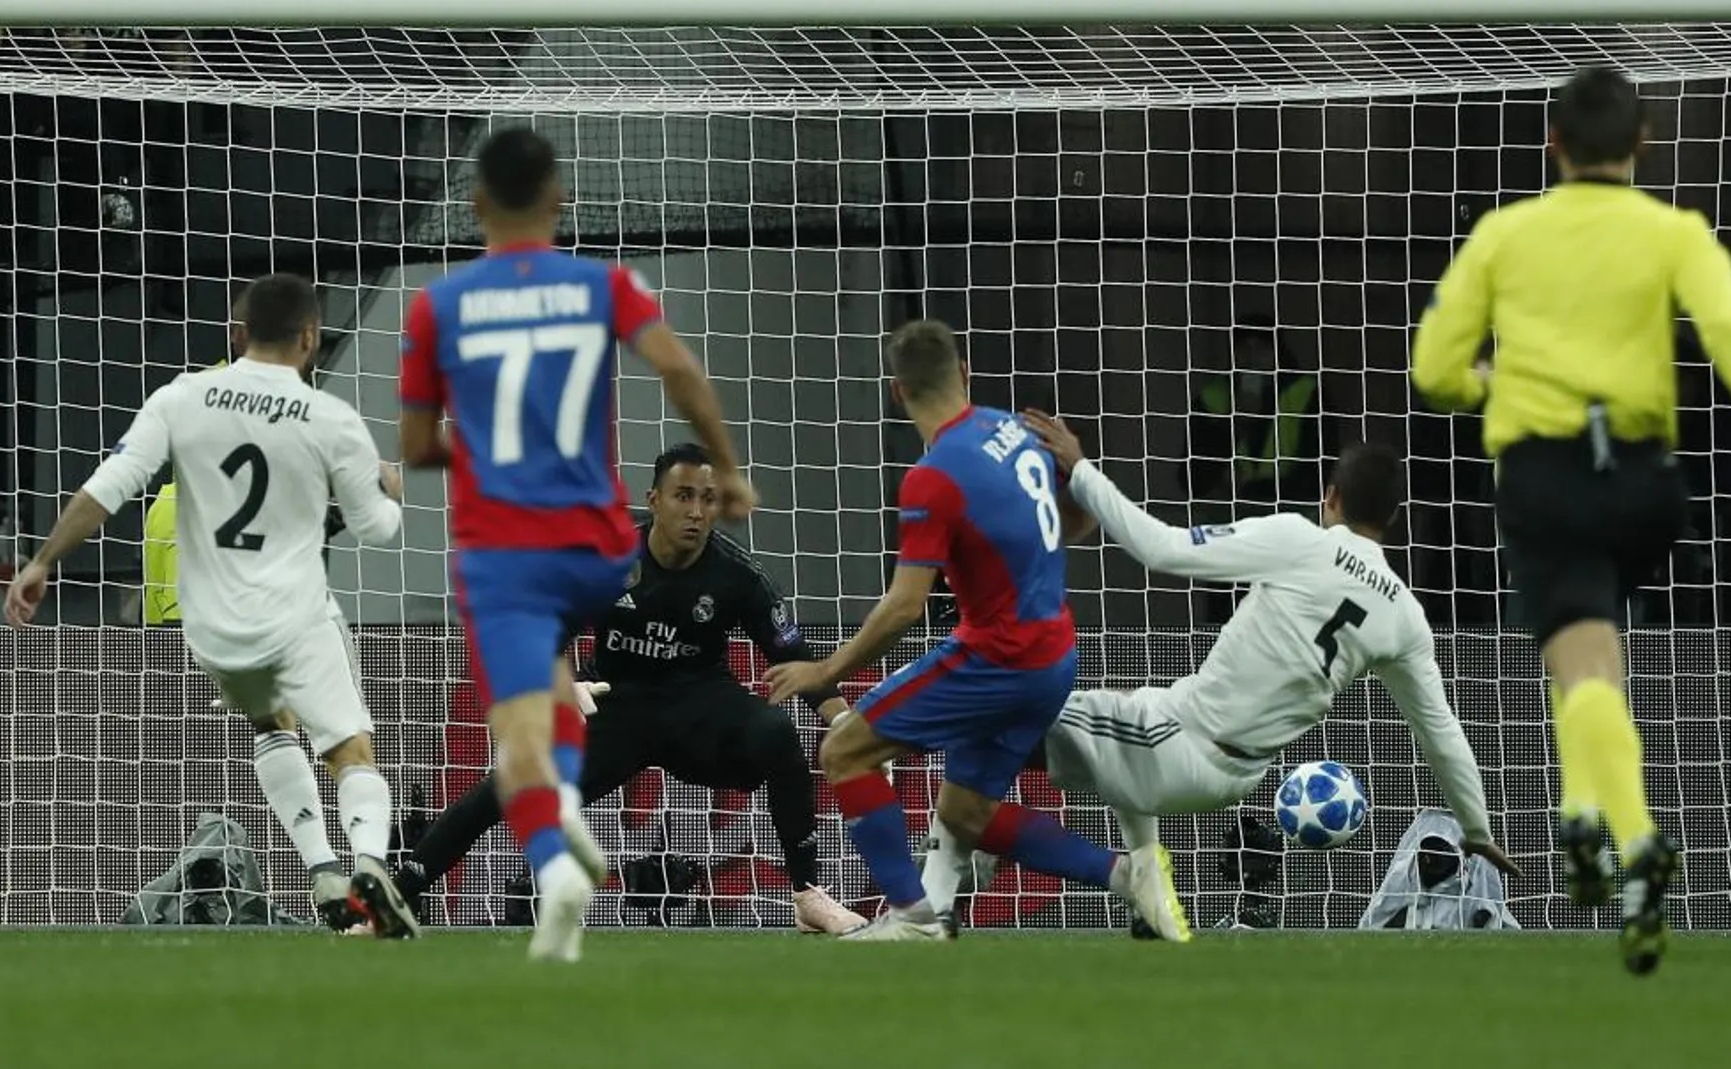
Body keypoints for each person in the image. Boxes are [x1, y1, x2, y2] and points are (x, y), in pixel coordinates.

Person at [1410, 66, 1731, 975]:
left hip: (1548, 476)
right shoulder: (1673, 230)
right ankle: (1582, 818)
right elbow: (1729, 329)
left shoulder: (1506, 235)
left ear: (1551, 143)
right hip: (1646, 485)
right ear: (1644, 143)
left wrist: (1489, 382)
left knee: (1581, 658)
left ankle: (1631, 846)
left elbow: (1434, 370)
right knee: (1591, 655)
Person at [920, 423, 1515, 932]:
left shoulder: (1298, 540)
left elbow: (1164, 550)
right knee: (1120, 710)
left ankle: (933, 904)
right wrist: (1477, 828)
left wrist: (1081, 471)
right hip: (1230, 769)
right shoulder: (1406, 617)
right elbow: (1442, 736)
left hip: (1180, 746)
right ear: (1393, 516)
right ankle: (1143, 874)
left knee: (995, 707)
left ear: (1329, 497)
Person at [398, 126, 753, 963]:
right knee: (550, 681)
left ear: (476, 204)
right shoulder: (604, 284)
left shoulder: (436, 306)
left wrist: (485, 450)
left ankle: (556, 858)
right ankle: (561, 801)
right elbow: (681, 372)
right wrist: (729, 472)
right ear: (559, 201)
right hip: (600, 550)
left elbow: (416, 447)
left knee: (517, 739)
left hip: (506, 550)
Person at [2, 273, 419, 937]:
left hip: (217, 617)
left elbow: (106, 488)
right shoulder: (330, 417)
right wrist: (389, 489)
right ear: (311, 338)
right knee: (349, 749)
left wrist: (42, 560)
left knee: (273, 726)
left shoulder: (183, 397)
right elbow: (376, 529)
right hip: (298, 608)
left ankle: (319, 868)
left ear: (238, 331)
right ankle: (368, 861)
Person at [764, 319, 1188, 942]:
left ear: (896, 393)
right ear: (965, 374)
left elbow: (907, 605)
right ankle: (1129, 875)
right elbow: (1077, 523)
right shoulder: (1014, 430)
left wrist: (824, 671)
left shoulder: (932, 476)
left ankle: (913, 920)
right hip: (1053, 655)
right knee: (964, 812)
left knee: (844, 751)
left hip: (999, 657)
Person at [395, 443, 865, 933]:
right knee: (506, 787)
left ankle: (808, 895)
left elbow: (795, 659)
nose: (697, 512)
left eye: (707, 499)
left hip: (700, 708)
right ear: (654, 500)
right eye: (683, 496)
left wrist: (844, 721)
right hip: (612, 706)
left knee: (778, 735)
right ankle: (392, 897)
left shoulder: (738, 576)